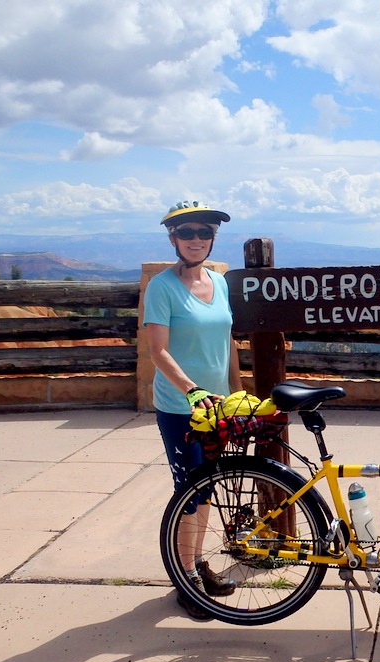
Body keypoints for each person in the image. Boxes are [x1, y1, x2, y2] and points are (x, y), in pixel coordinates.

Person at [144, 200, 243, 620]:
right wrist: (192, 390)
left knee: (207, 492)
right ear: (173, 239)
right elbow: (158, 351)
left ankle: (196, 564)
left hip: (217, 406)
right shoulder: (162, 287)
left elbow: (228, 341)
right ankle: (186, 580)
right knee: (191, 493)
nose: (197, 239)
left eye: (204, 232)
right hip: (181, 408)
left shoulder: (219, 283)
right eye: (187, 233)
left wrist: (240, 394)